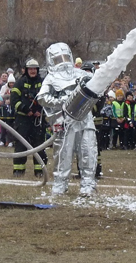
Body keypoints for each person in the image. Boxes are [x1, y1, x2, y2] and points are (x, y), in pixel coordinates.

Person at [36, 42, 98, 197]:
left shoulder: (82, 74)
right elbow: (42, 97)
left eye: (64, 57)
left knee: (88, 151)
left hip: (85, 120)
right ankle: (60, 184)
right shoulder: (51, 78)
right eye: (58, 59)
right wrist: (62, 102)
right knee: (63, 153)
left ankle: (88, 184)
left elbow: (99, 87)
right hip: (64, 122)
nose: (62, 61)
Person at [11, 58, 46, 177]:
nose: (32, 71)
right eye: (30, 69)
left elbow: (47, 100)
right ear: (26, 70)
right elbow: (14, 101)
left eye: (34, 69)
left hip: (38, 120)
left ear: (37, 70)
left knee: (40, 146)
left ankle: (40, 171)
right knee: (21, 145)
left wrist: (39, 112)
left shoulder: (43, 83)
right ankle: (18, 170)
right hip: (23, 120)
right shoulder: (20, 83)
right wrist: (26, 110)